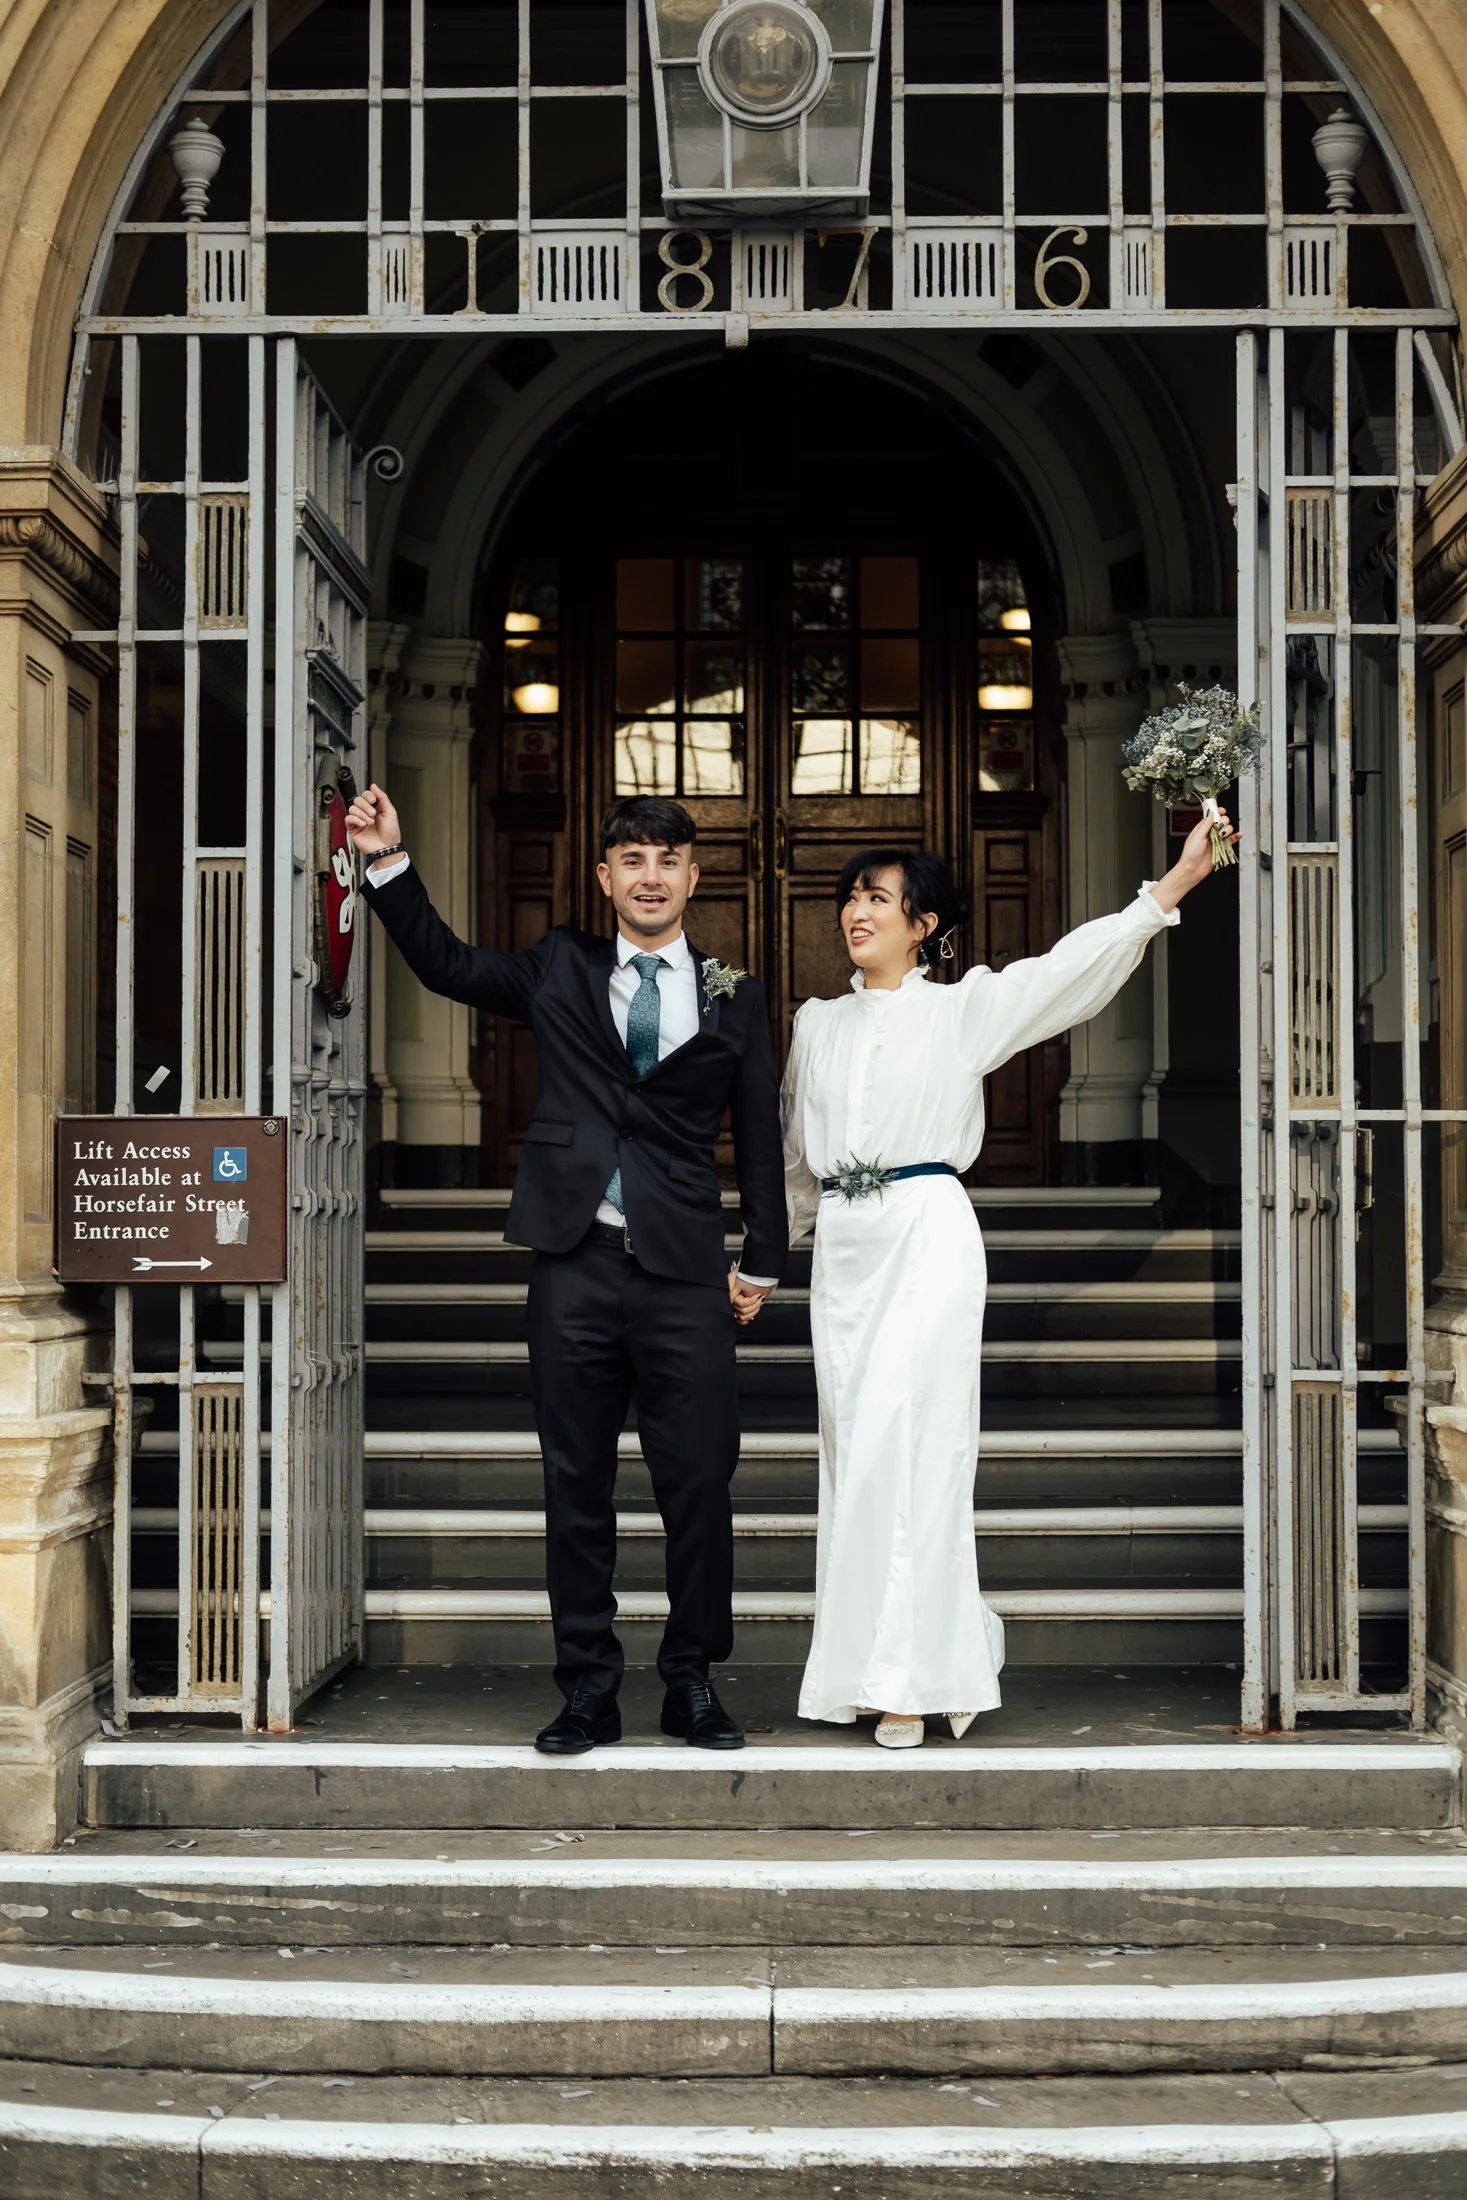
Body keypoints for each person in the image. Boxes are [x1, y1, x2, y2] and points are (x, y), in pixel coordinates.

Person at [346, 787, 786, 1755]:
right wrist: (388, 861)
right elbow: (449, 964)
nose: (650, 877)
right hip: (574, 1261)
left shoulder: (735, 991)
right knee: (574, 1481)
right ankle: (587, 1686)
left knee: (701, 1480)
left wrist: (764, 1254)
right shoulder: (559, 964)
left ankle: (690, 1679)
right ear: (606, 878)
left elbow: (758, 1130)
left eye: (668, 860)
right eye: (632, 860)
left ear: (692, 878)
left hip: (682, 1270)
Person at [781, 811, 1235, 1748]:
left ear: (925, 925)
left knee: (921, 1448)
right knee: (854, 1455)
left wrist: (1175, 885)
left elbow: (1066, 972)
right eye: (850, 899)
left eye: (878, 898)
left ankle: (913, 1678)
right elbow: (797, 1157)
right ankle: (867, 1666)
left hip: (927, 1234)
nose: (856, 913)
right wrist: (761, 1255)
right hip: (844, 1250)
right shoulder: (814, 1025)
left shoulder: (961, 1009)